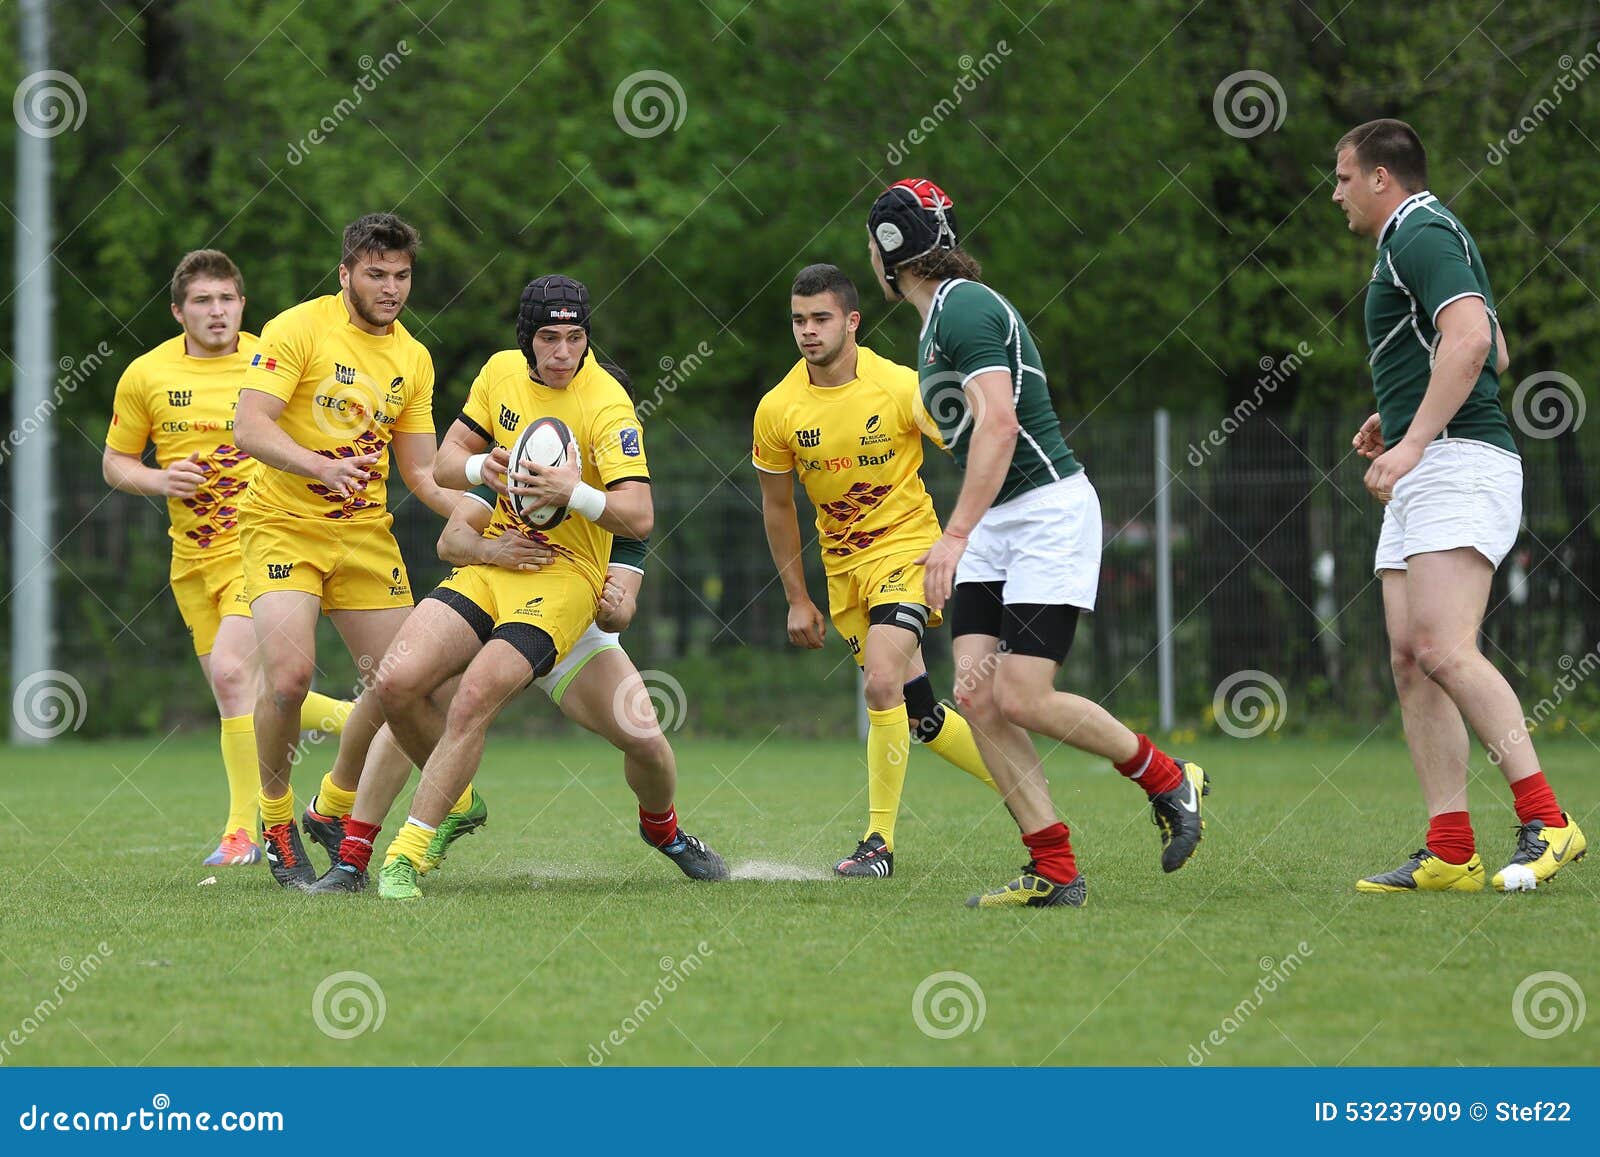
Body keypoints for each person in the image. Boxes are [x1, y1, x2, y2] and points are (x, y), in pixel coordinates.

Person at [865, 178, 1208, 908]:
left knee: (1022, 694)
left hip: (1046, 510)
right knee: (979, 697)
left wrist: (952, 533)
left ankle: (1166, 776)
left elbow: (1000, 425)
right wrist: (969, 529)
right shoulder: (936, 321)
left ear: (887, 250)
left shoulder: (966, 307)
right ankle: (1053, 866)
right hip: (996, 521)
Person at [356, 276, 727, 899]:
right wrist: (484, 468)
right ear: (527, 342)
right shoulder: (501, 376)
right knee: (395, 682)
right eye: (550, 339)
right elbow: (443, 473)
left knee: (648, 745)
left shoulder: (609, 412)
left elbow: (636, 528)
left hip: (569, 603)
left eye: (575, 339)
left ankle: (663, 831)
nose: (562, 353)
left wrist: (574, 497)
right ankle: (397, 841)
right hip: (502, 580)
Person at [1333, 118, 1585, 893]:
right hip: (1432, 460)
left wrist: (1415, 441)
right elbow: (1496, 349)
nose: (1335, 192)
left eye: (1344, 177)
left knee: (1445, 647)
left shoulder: (1418, 229)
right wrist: (1405, 415)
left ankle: (1549, 820)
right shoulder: (1417, 240)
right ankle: (1450, 850)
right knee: (1411, 660)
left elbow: (1472, 339)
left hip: (1457, 464)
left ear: (1383, 178)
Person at [233, 213, 463, 888]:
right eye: (376, 275)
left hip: (363, 536)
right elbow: (249, 425)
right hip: (282, 524)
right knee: (289, 679)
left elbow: (421, 474)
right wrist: (318, 465)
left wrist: (488, 516)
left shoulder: (413, 357)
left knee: (410, 682)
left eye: (402, 276)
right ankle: (275, 818)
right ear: (345, 274)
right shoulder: (297, 329)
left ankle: (333, 810)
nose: (391, 289)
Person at [102, 249, 352, 866]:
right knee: (246, 692)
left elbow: (318, 430)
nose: (217, 312)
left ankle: (249, 831)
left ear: (243, 303)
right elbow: (115, 462)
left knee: (234, 675)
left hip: (264, 544)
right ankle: (374, 717)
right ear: (178, 311)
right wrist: (160, 482)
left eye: (227, 299)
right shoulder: (145, 374)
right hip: (192, 561)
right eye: (203, 301)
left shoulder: (273, 358)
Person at [754, 263, 999, 878]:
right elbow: (778, 507)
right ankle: (1029, 787)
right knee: (920, 716)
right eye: (798, 320)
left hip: (908, 553)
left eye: (820, 319)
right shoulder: (778, 409)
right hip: (845, 574)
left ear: (852, 322)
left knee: (880, 684)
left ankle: (878, 844)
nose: (807, 331)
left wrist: (970, 537)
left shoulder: (901, 387)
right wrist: (796, 598)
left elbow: (978, 451)